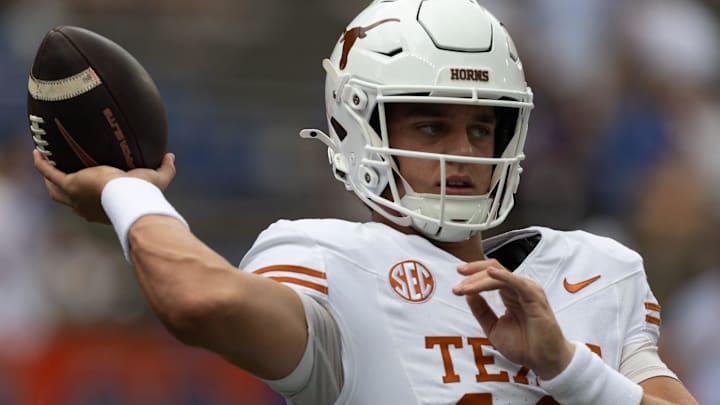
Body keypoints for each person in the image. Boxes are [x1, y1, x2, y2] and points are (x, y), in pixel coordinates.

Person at [33, 0, 697, 403]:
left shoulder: (594, 270)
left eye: (480, 127)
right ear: (360, 130)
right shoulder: (336, 261)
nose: (463, 151)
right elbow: (198, 299)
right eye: (432, 126)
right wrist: (127, 191)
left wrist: (569, 366)